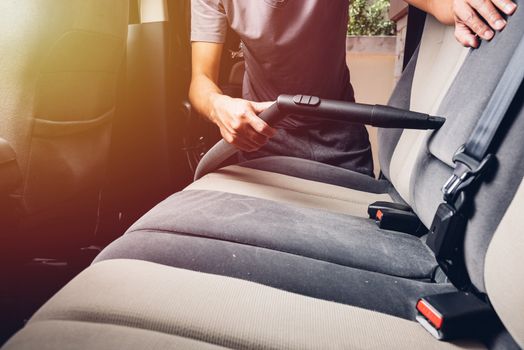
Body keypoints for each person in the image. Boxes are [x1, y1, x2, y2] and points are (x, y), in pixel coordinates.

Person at [189, 0, 517, 177]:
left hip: (339, 141)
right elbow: (200, 82)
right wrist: (220, 107)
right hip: (264, 138)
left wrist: (454, 5)